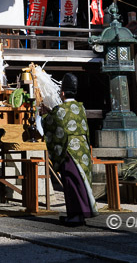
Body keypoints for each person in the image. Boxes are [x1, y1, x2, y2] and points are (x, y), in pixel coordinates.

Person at [42, 73, 98, 226]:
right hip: (83, 149)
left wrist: (44, 115)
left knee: (72, 182)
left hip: (69, 150)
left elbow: (51, 126)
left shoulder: (60, 110)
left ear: (62, 92)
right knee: (82, 181)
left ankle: (75, 215)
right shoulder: (81, 108)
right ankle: (82, 214)